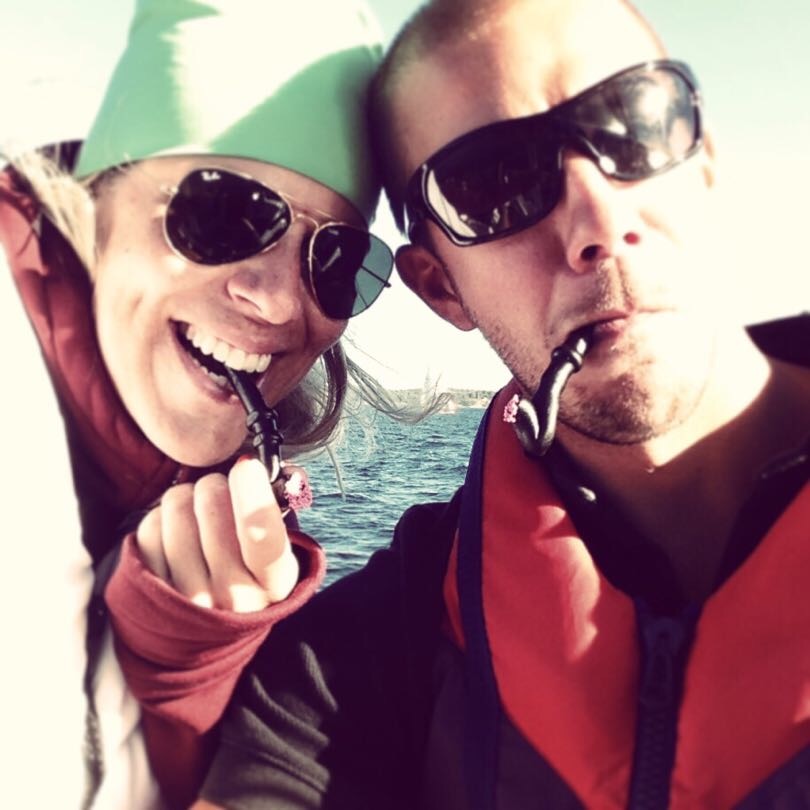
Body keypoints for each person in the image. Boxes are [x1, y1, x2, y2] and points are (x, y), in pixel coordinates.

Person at [179, 0, 808, 807]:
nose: (602, 222)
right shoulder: (349, 674)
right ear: (440, 287)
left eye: (635, 126)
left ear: (704, 165)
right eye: (497, 183)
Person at [0, 0, 395, 807]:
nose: (278, 301)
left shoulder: (211, 495)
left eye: (336, 259)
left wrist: (183, 681)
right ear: (101, 190)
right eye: (226, 214)